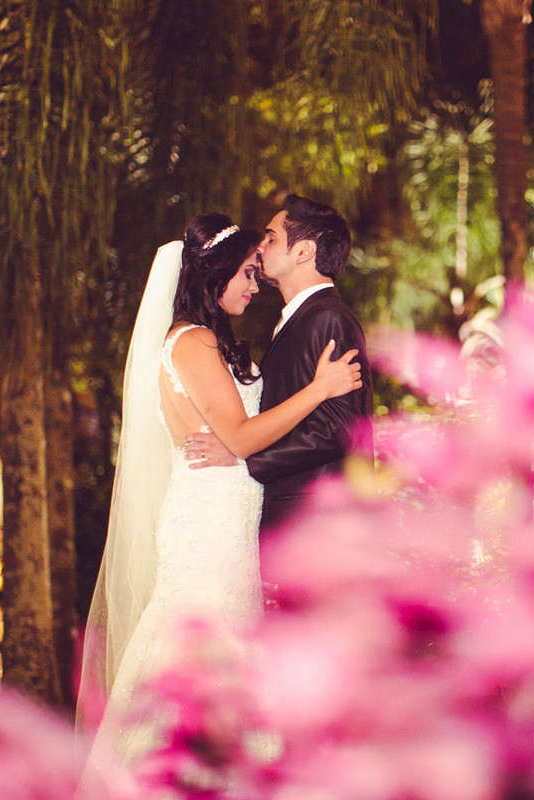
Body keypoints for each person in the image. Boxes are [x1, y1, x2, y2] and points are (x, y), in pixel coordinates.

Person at [77, 212, 362, 779]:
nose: (254, 286)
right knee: (204, 653)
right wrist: (320, 389)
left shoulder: (217, 341)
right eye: (246, 274)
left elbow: (239, 436)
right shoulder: (191, 342)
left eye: (258, 271)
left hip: (232, 522)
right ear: (217, 277)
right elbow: (238, 436)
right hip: (208, 527)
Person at [187, 195, 373, 537]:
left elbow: (337, 431)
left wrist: (244, 459)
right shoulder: (303, 318)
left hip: (319, 526)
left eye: (271, 238)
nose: (261, 245)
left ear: (303, 253)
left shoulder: (327, 318)